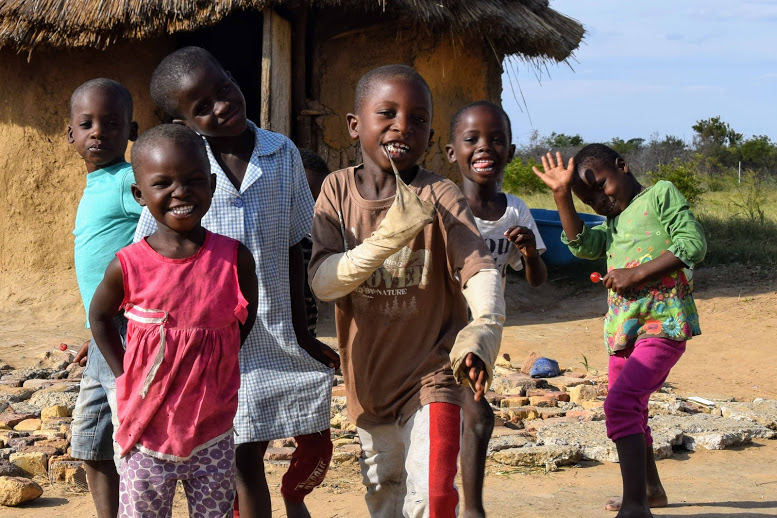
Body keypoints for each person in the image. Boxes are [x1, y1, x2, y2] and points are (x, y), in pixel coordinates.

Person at [137, 46, 339, 518]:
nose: (221, 106)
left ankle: (290, 500)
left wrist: (303, 332)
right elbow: (148, 255)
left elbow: (294, 245)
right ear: (184, 122)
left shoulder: (280, 151)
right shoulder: (182, 168)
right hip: (208, 338)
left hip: (269, 334)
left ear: (233, 75)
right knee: (236, 460)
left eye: (223, 90)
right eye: (201, 107)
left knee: (245, 455)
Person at [309, 64, 506, 517]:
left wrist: (484, 328)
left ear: (430, 134)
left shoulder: (440, 194)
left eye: (418, 119)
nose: (403, 126)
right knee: (384, 491)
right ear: (355, 125)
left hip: (432, 373)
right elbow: (322, 282)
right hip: (371, 381)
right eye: (388, 113)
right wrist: (382, 243)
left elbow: (476, 267)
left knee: (435, 495)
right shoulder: (336, 191)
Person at [89, 123, 258, 517]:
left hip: (212, 430)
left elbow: (241, 320)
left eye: (194, 180)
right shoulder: (128, 264)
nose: (181, 192)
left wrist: (216, 359)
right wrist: (123, 373)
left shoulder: (233, 258)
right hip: (147, 429)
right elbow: (99, 317)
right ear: (139, 195)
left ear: (213, 185)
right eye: (163, 183)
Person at [532, 144, 706, 518]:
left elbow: (692, 243)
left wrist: (635, 273)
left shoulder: (660, 195)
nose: (599, 200)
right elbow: (581, 246)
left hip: (663, 324)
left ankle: (635, 506)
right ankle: (649, 490)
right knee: (633, 410)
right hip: (622, 333)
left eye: (601, 187)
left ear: (623, 167)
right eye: (588, 198)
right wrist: (563, 198)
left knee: (620, 404)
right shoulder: (612, 224)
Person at [446, 100, 547, 516]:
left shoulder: (515, 210)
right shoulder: (445, 204)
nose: (484, 147)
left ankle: (468, 506)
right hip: (443, 326)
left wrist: (530, 253)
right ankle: (469, 508)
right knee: (474, 414)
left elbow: (536, 280)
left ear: (511, 151)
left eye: (496, 139)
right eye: (472, 139)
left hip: (483, 333)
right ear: (453, 152)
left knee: (472, 413)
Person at [67, 78, 139, 518]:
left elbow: (161, 220)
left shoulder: (128, 179)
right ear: (70, 133)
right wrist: (94, 333)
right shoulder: (98, 183)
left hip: (130, 330)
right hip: (105, 333)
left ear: (131, 132)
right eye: (87, 123)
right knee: (91, 443)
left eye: (111, 124)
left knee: (129, 437)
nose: (98, 132)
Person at [298, 149, 332, 337]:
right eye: (303, 197)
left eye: (317, 199)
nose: (309, 207)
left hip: (306, 337)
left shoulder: (315, 243)